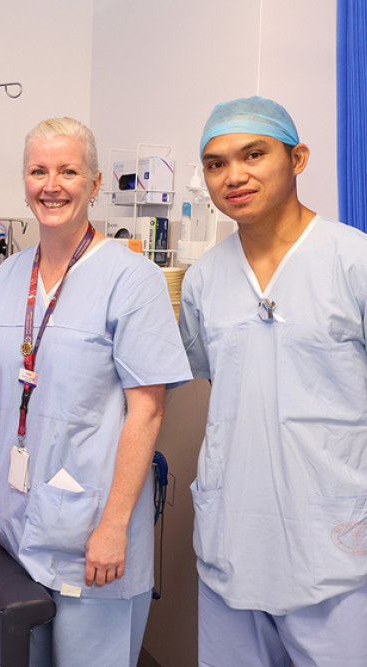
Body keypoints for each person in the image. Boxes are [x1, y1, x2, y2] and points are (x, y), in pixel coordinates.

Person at [0, 117, 192, 667]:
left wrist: (116, 526)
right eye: (38, 171)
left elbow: (148, 410)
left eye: (68, 171)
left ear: (95, 183)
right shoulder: (5, 279)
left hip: (93, 532)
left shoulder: (132, 279)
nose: (52, 185)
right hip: (18, 519)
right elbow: (6, 393)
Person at [179, 96, 367, 666]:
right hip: (232, 538)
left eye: (253, 154)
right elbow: (230, 389)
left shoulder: (352, 261)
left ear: (298, 158)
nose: (233, 176)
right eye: (215, 164)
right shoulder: (204, 281)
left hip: (335, 545)